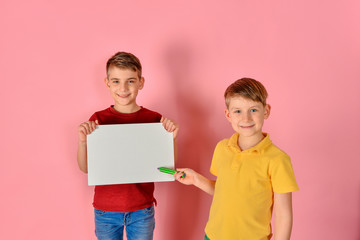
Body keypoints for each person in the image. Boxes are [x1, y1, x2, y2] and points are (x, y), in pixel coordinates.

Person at [175, 78, 299, 240]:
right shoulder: (222, 148)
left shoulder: (277, 159)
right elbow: (224, 190)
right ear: (228, 114)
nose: (246, 118)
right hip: (212, 236)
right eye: (238, 111)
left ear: (266, 111)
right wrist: (196, 179)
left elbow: (283, 215)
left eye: (253, 110)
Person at [77, 51, 179, 240]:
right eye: (116, 81)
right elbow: (85, 168)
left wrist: (171, 138)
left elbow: (168, 168)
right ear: (107, 83)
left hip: (142, 210)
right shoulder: (98, 120)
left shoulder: (154, 119)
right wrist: (83, 141)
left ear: (141, 82)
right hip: (105, 211)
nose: (123, 88)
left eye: (130, 81)